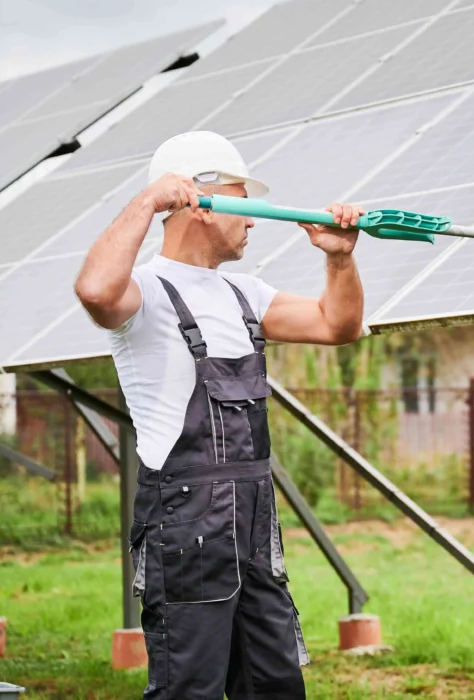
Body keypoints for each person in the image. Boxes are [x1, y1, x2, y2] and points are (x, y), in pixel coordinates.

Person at [74, 130, 364, 699]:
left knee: (276, 685)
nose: (253, 219)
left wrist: (340, 259)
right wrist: (150, 200)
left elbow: (338, 325)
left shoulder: (244, 295)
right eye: (242, 200)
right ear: (203, 204)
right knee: (191, 690)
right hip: (185, 530)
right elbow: (94, 291)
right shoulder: (147, 294)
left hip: (255, 528)